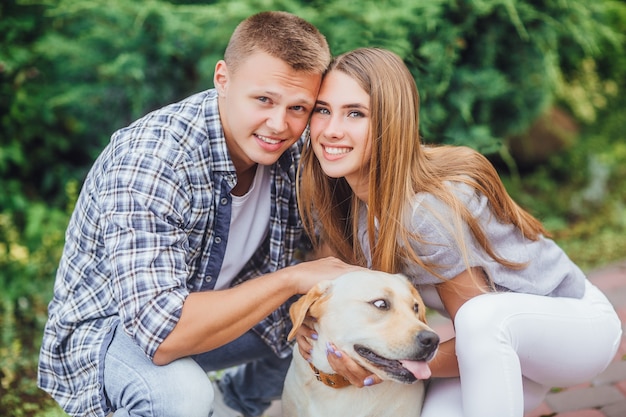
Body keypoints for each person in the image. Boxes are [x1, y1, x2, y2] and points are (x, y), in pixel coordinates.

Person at [38, 11, 361, 417]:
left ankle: (233, 406)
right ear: (222, 79)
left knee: (334, 326)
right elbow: (161, 333)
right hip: (115, 332)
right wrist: (292, 280)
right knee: (181, 397)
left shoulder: (295, 151)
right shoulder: (154, 159)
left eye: (299, 107)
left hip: (211, 318)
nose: (279, 124)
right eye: (263, 99)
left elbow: (333, 241)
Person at [296, 47, 622, 417]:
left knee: (478, 319)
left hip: (575, 330)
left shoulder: (425, 213)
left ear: (391, 121)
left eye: (355, 113)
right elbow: (334, 291)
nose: (331, 129)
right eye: (323, 110)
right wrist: (315, 327)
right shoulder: (344, 201)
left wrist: (391, 363)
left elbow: (477, 334)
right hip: (502, 347)